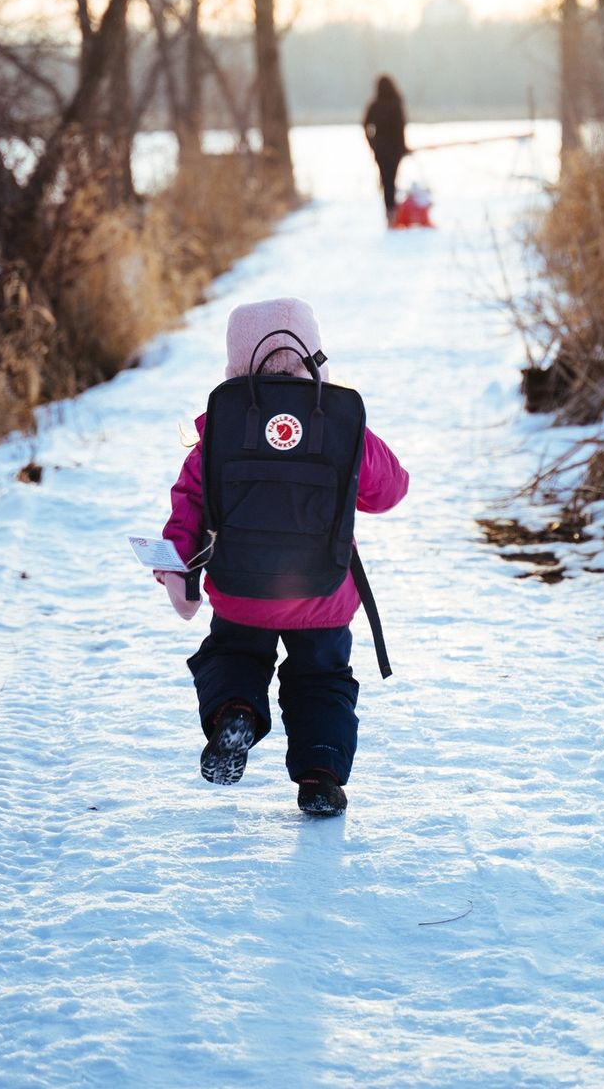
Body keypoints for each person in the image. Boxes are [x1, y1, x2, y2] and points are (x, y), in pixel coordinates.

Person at [155, 296, 409, 818]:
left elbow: (189, 508)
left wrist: (178, 565)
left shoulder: (219, 429)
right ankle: (320, 776)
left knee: (233, 657)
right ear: (315, 357)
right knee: (321, 680)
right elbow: (389, 492)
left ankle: (236, 711)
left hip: (240, 589)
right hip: (324, 593)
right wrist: (353, 435)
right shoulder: (338, 424)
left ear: (234, 367)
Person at [363, 74, 408, 224]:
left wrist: (372, 143)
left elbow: (366, 125)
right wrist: (403, 147)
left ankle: (389, 213)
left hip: (380, 149)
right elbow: (401, 128)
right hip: (394, 149)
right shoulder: (396, 104)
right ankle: (392, 213)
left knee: (386, 179)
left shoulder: (374, 106)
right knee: (391, 180)